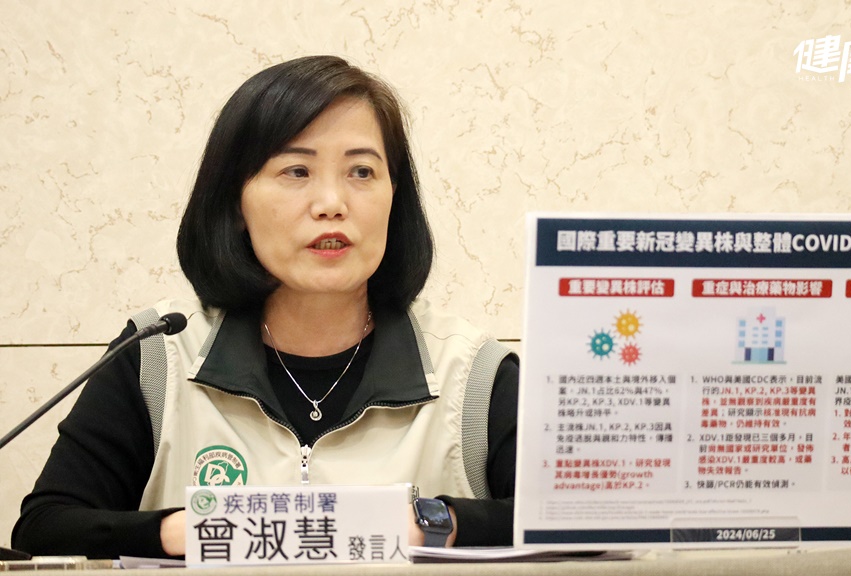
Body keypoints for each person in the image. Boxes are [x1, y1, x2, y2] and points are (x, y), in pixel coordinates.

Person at [12, 55, 518, 559]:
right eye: (297, 170)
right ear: (236, 202)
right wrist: (203, 530)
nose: (331, 203)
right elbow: (47, 528)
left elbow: (559, 522)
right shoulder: (159, 356)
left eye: (362, 171)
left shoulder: (470, 372)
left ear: (394, 197)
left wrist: (433, 523)